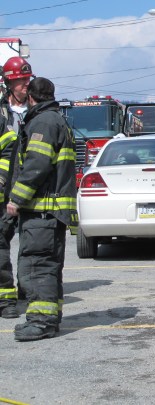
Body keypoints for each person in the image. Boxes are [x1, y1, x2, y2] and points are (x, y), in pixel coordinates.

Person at [7, 77, 78, 342]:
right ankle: (49, 319)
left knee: (37, 266)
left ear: (30, 96)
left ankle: (40, 322)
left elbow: (36, 165)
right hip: (50, 212)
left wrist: (16, 199)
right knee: (48, 266)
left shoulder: (43, 122)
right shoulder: (55, 119)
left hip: (41, 211)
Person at [0, 56, 33, 319]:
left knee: (31, 246)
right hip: (5, 192)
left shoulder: (40, 110)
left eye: (27, 79)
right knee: (1, 243)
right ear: (9, 84)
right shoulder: (2, 114)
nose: (25, 85)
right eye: (20, 81)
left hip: (33, 190)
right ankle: (5, 299)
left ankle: (28, 291)